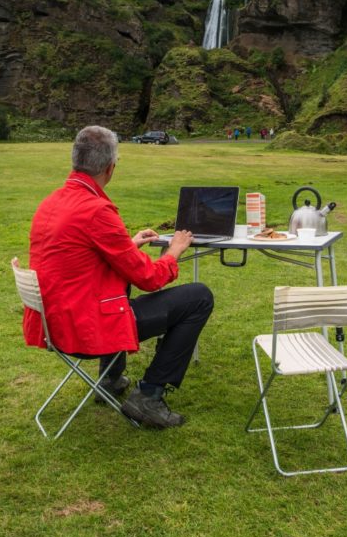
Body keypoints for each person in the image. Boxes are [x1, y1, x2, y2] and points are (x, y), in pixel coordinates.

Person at [24, 125, 213, 428]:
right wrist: (174, 251)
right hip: (83, 329)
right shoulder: (96, 210)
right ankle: (149, 395)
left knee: (116, 288)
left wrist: (128, 245)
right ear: (110, 168)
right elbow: (149, 278)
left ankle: (110, 380)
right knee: (199, 297)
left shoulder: (52, 202)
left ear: (75, 160)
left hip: (55, 324)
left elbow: (79, 257)